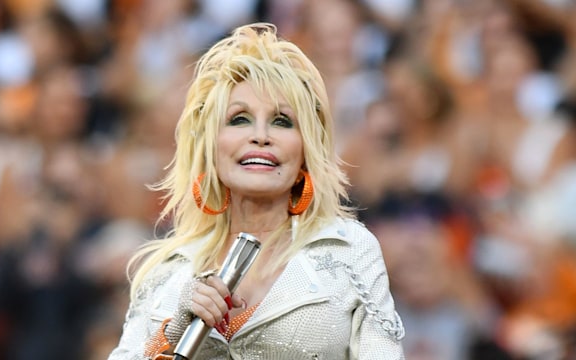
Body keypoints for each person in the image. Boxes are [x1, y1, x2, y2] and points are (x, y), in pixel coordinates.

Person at [108, 23, 405, 359]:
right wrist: (172, 332)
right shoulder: (167, 272)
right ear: (211, 147)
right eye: (239, 119)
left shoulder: (349, 251)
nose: (261, 135)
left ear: (306, 151)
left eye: (281, 121)